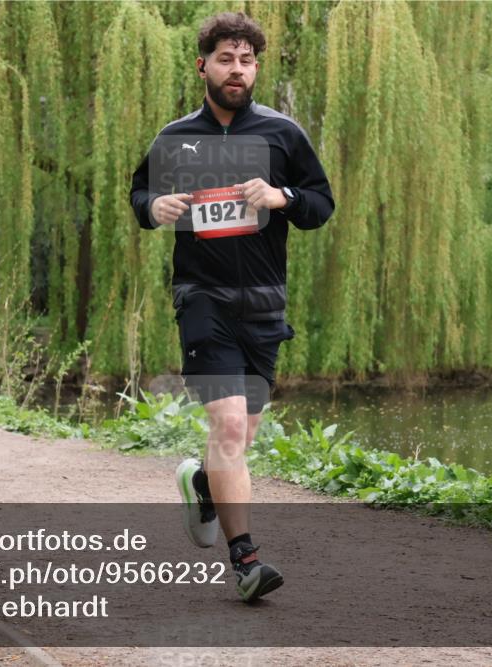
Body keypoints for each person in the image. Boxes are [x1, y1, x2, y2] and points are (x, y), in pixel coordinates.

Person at [130, 12, 334, 602]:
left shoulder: (282, 133)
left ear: (256, 68)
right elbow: (140, 192)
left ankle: (202, 482)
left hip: (265, 305)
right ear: (204, 66)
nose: (237, 70)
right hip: (202, 299)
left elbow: (321, 204)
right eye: (226, 59)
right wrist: (154, 208)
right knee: (227, 425)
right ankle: (246, 561)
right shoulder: (175, 137)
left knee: (241, 436)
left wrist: (282, 196)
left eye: (246, 60)